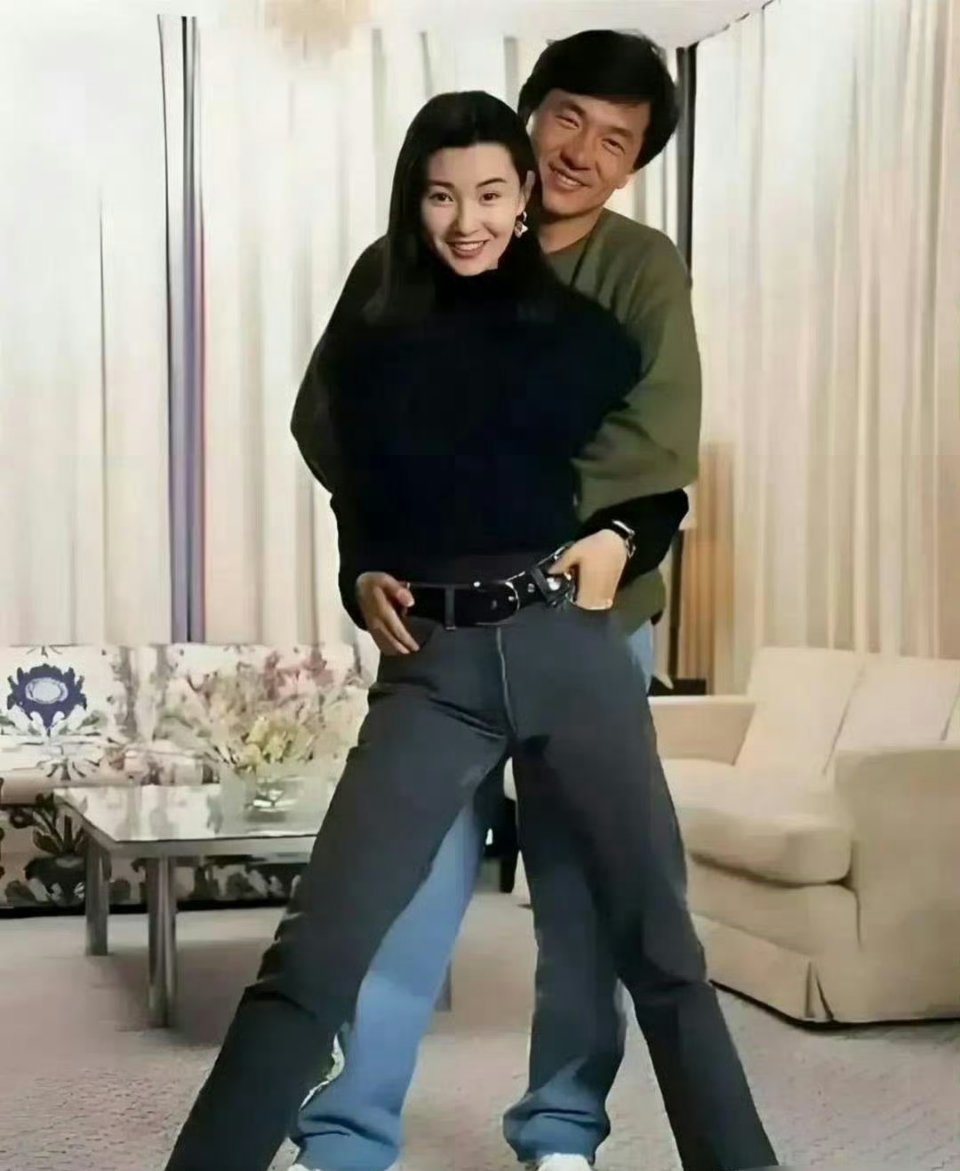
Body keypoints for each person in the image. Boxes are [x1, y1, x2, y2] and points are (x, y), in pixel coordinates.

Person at [164, 91, 776, 1171]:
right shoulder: (374, 328)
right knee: (317, 949)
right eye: (442, 196)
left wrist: (622, 533)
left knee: (660, 947)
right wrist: (360, 566)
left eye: (491, 194)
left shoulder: (581, 332)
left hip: (568, 648)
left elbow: (658, 481)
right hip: (433, 664)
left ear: (523, 195)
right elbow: (354, 479)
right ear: (415, 200)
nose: (467, 221)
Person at [288, 30, 728, 1171]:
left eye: (617, 140)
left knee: (584, 892)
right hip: (439, 628)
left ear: (635, 164)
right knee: (397, 888)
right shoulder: (407, 260)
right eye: (568, 117)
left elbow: (660, 439)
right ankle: (346, 1130)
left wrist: (524, 522)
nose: (583, 151)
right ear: (528, 116)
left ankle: (562, 1128)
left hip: (588, 625)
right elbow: (336, 426)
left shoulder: (639, 268)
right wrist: (372, 556)